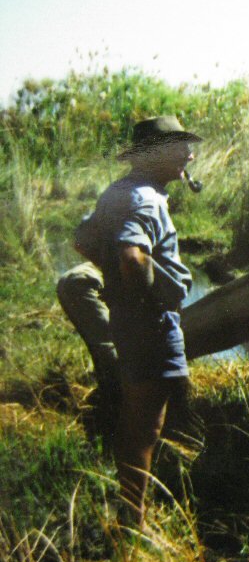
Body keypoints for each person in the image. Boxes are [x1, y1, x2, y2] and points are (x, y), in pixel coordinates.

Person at [78, 116, 201, 526]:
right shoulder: (146, 199)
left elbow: (83, 238)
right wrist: (147, 298)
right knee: (146, 427)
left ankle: (130, 514)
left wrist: (114, 280)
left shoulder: (119, 191)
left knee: (138, 421)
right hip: (152, 324)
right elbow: (134, 257)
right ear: (155, 154)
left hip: (131, 322)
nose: (190, 154)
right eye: (179, 146)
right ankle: (134, 524)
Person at [56, 262, 120, 441]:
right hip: (85, 282)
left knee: (103, 351)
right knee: (110, 350)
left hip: (77, 279)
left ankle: (105, 411)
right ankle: (110, 424)